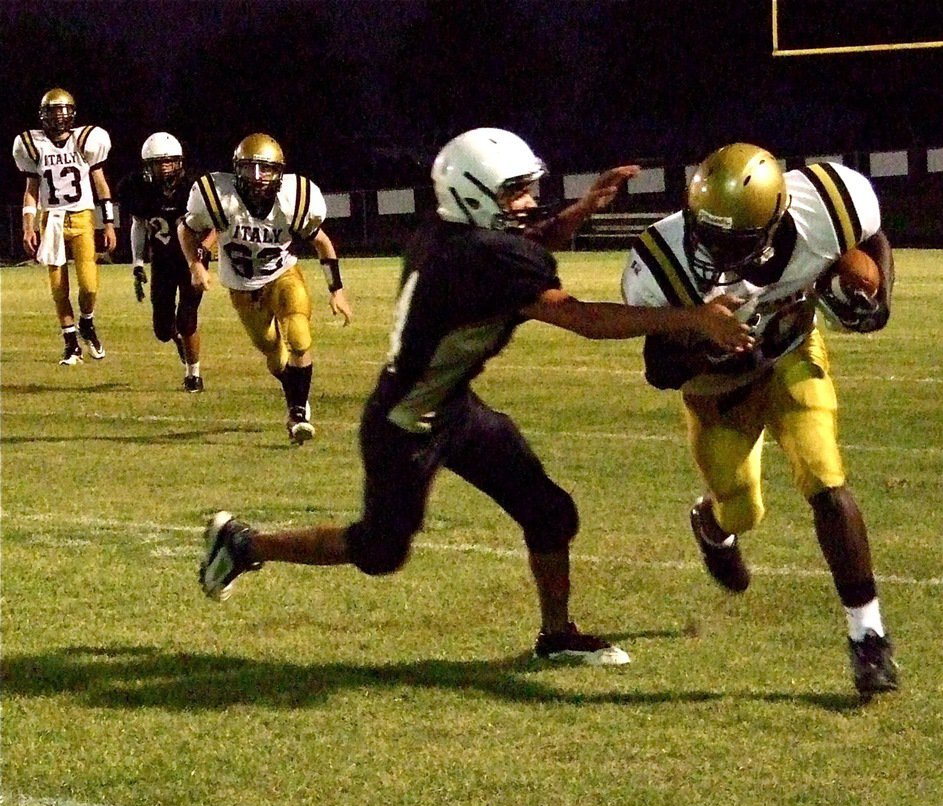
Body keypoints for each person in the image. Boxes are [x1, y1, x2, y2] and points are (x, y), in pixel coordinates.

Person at [198, 127, 752, 666]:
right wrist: (691, 317)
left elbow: (525, 246)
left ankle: (557, 634)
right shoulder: (476, 257)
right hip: (405, 426)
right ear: (472, 195)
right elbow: (578, 316)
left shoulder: (452, 234)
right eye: (515, 191)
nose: (529, 200)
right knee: (379, 551)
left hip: (453, 408)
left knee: (550, 512)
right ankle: (246, 544)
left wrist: (582, 212)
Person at [620, 143, 899, 695]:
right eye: (707, 233)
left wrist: (878, 295)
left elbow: (869, 239)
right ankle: (712, 526)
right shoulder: (661, 261)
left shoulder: (828, 204)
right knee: (742, 508)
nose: (716, 252)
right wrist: (709, 340)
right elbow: (658, 369)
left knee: (824, 475)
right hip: (718, 386)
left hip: (793, 354)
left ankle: (868, 637)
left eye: (734, 241)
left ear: (777, 218)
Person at [177, 133, 353, 441]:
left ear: (279, 172)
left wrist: (336, 290)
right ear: (236, 170)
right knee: (273, 353)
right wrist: (195, 264)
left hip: (282, 274)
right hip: (243, 288)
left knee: (299, 334)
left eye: (266, 169)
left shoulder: (293, 199)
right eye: (249, 169)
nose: (258, 178)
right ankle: (294, 389)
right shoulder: (220, 197)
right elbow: (186, 230)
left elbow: (323, 244)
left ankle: (297, 411)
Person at [12, 88, 117, 365]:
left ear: (72, 112)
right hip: (52, 220)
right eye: (53, 111)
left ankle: (87, 322)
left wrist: (109, 223)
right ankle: (71, 344)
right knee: (59, 288)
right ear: (43, 114)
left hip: (82, 216)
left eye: (64, 110)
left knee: (89, 286)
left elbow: (101, 184)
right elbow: (31, 190)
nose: (59, 116)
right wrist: (28, 226)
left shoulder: (85, 140)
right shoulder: (32, 145)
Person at [117, 132, 209, 391]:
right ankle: (178, 340)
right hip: (163, 261)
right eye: (160, 162)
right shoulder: (139, 188)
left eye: (171, 161)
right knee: (162, 329)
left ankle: (194, 374)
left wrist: (202, 250)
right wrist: (137, 263)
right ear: (148, 165)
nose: (167, 167)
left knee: (187, 317)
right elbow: (139, 224)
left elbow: (216, 225)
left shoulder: (194, 187)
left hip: (192, 261)